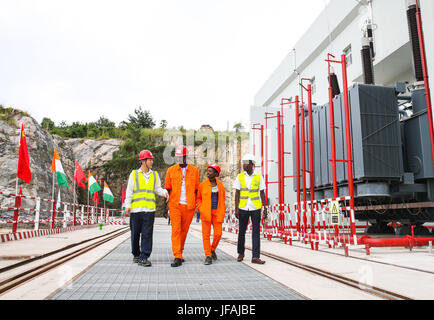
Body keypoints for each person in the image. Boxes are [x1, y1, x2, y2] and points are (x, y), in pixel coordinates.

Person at [125, 150, 169, 267]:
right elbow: (129, 191)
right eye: (150, 159)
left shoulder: (154, 175)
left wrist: (165, 193)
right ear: (143, 161)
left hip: (149, 211)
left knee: (147, 234)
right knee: (135, 234)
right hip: (136, 210)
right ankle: (136, 254)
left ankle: (144, 256)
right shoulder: (133, 174)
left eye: (152, 159)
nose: (152, 161)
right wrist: (127, 206)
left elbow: (157, 189)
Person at [163, 145, 199, 267]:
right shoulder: (171, 170)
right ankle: (177, 256)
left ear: (186, 157)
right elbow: (167, 190)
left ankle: (180, 253)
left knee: (184, 231)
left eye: (182, 157)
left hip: (189, 206)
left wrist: (196, 205)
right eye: (178, 157)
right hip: (174, 205)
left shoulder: (194, 171)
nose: (179, 159)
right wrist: (165, 208)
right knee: (176, 230)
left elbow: (196, 190)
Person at [233, 153, 268, 264]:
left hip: (255, 208)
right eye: (243, 163)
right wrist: (236, 208)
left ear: (252, 164)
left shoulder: (259, 176)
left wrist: (265, 208)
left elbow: (262, 192)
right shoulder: (240, 177)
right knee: (241, 232)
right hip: (243, 207)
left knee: (256, 232)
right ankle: (241, 253)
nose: (244, 165)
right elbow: (237, 193)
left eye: (246, 163)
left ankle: (255, 256)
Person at [196, 164, 226, 265]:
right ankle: (208, 256)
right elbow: (198, 198)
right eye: (207, 171)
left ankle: (212, 249)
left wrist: (222, 209)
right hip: (206, 212)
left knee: (218, 234)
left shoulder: (220, 185)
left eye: (210, 171)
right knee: (206, 235)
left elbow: (223, 198)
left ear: (216, 174)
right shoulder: (202, 185)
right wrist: (200, 208)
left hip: (217, 212)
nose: (208, 173)